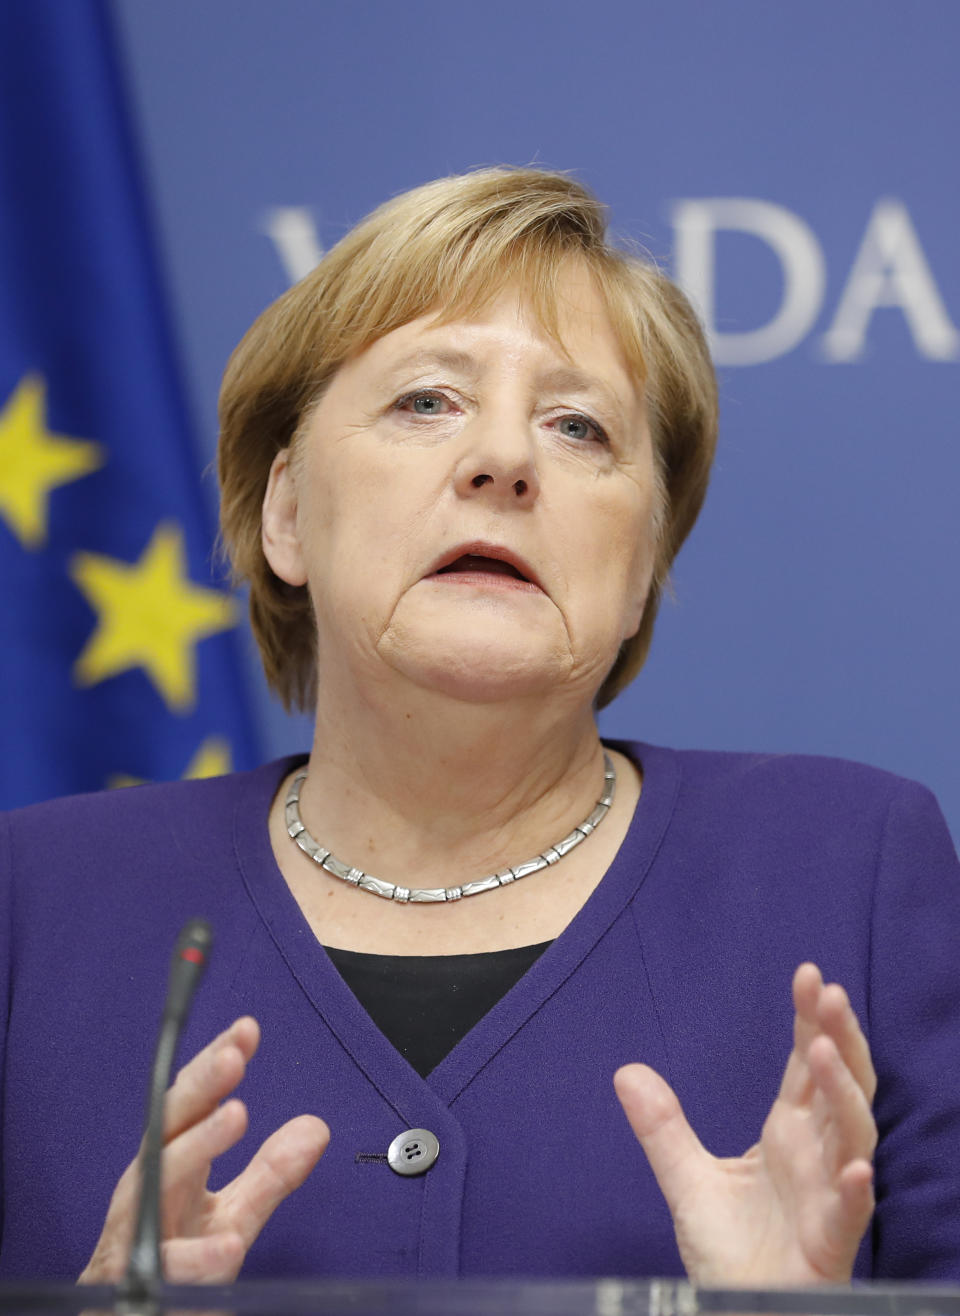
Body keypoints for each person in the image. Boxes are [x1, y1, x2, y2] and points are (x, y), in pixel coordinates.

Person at [1, 167, 958, 1286]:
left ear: (645, 562)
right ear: (288, 513)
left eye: (578, 425)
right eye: (427, 401)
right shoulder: (35, 901)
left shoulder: (846, 866)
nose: (504, 460)